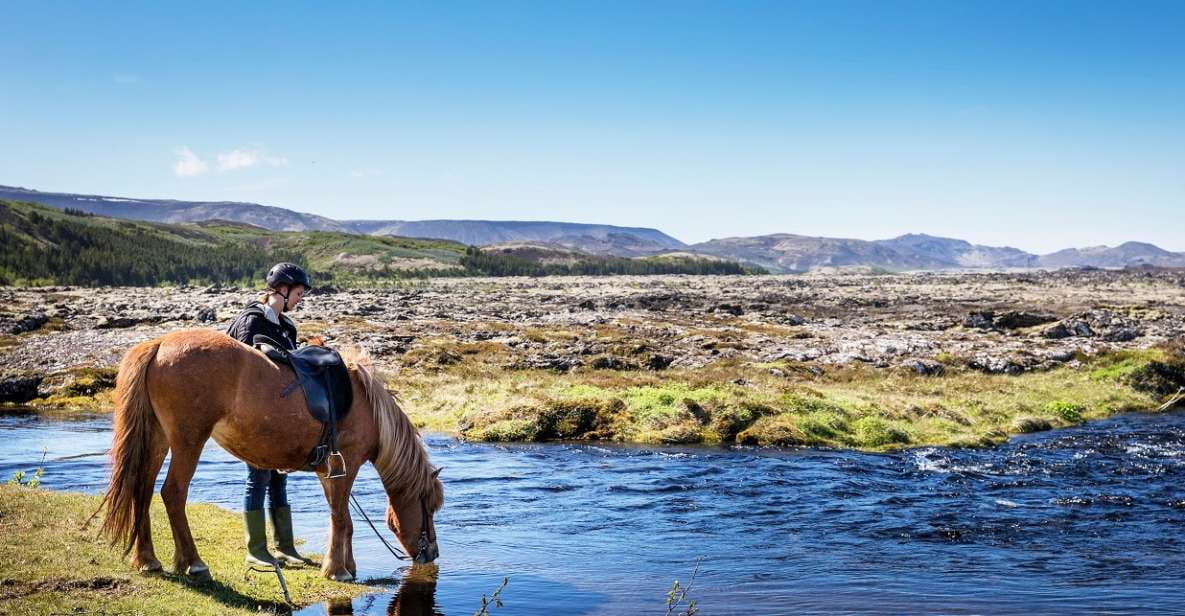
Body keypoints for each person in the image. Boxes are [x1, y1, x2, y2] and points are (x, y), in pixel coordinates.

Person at [224, 262, 312, 567]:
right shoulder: (250, 320)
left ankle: (286, 547)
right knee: (257, 477)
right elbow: (245, 372)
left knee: (278, 480)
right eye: (298, 293)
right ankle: (256, 550)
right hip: (252, 416)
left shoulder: (287, 328)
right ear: (283, 290)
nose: (300, 299)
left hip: (279, 416)